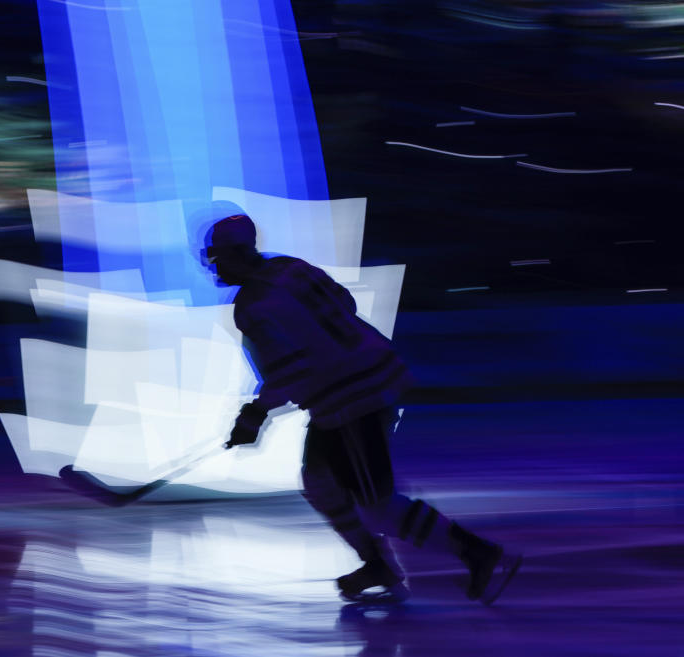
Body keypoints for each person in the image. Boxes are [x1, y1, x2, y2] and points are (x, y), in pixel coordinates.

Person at [204, 213, 522, 605]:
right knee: (321, 483)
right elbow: (345, 303)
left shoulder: (251, 305)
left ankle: (477, 552)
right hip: (365, 384)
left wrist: (255, 415)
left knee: (377, 506)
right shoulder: (291, 268)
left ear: (236, 253)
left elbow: (290, 370)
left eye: (218, 259)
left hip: (350, 401)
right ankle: (377, 564)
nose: (216, 269)